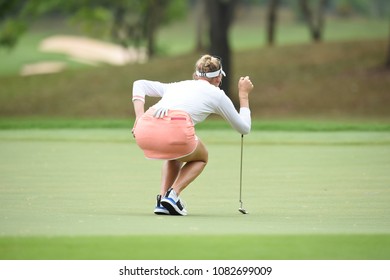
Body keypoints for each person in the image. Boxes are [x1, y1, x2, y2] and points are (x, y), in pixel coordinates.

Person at [131, 54, 254, 216]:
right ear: (218, 78)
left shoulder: (178, 86)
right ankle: (173, 195)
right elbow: (244, 128)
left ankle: (162, 200)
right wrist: (244, 95)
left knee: (176, 154)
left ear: (196, 75)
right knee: (201, 157)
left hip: (144, 129)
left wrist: (139, 117)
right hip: (175, 130)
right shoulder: (217, 95)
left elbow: (139, 84)